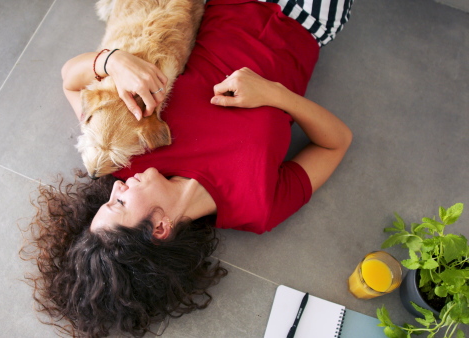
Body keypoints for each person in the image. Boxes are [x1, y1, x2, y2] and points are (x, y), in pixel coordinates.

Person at [23, 0, 354, 337]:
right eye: (119, 204)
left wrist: (112, 61)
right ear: (159, 229)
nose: (115, 189)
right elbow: (336, 142)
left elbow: (71, 81)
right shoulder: (257, 208)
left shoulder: (128, 151)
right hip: (310, 18)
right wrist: (276, 95)